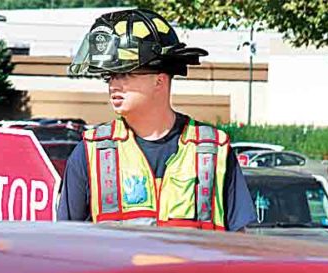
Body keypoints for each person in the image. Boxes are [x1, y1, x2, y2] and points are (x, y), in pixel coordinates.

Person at [58, 9, 257, 232]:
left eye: (125, 74)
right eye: (109, 76)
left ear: (159, 81)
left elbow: (239, 242)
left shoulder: (213, 151)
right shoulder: (89, 153)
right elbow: (66, 241)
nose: (114, 85)